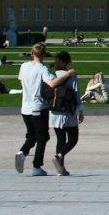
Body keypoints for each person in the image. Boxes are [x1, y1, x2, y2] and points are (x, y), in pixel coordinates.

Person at [15, 42, 75, 176]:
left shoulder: (24, 66)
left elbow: (21, 81)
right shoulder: (43, 68)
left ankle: (22, 153)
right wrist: (68, 74)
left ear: (31, 53)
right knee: (43, 137)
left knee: (32, 136)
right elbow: (52, 83)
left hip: (25, 108)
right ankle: (36, 166)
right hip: (38, 107)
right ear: (44, 54)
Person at [49, 51, 83, 176]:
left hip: (55, 111)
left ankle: (60, 168)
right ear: (65, 62)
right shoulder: (71, 75)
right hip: (69, 110)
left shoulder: (52, 75)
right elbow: (76, 94)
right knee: (73, 139)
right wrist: (81, 110)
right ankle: (59, 157)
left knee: (60, 139)